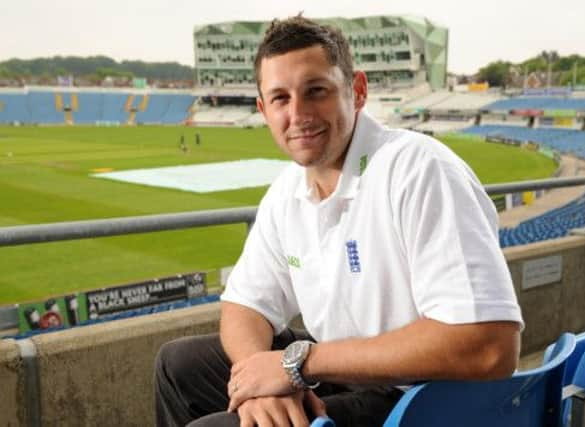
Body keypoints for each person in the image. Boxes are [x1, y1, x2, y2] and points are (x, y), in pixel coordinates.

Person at [155, 15, 523, 427]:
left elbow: (489, 346)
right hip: (343, 372)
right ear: (263, 110)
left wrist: (300, 364)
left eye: (316, 91)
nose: (298, 114)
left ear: (357, 90)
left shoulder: (419, 169)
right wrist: (259, 378)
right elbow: (244, 305)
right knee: (177, 365)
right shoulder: (287, 193)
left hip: (424, 398)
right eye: (280, 98)